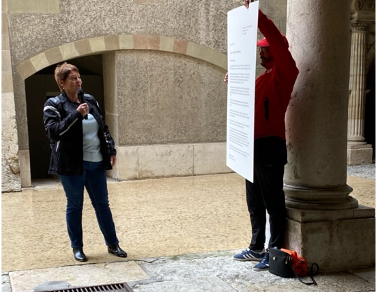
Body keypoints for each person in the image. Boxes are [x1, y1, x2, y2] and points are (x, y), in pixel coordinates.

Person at [225, 0, 299, 271]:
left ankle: (274, 249)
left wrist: (257, 15)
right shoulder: (261, 78)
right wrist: (234, 83)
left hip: (269, 145)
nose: (260, 54)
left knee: (273, 201)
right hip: (251, 145)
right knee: (254, 200)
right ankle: (257, 247)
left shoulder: (285, 71)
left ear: (275, 52)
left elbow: (277, 39)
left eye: (264, 50)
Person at [43, 62, 127, 262]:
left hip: (96, 163)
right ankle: (77, 248)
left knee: (102, 205)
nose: (78, 81)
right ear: (62, 83)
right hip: (72, 166)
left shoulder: (89, 100)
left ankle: (113, 244)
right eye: (73, 78)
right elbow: (54, 132)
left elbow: (102, 127)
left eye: (79, 77)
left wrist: (111, 149)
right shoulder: (53, 105)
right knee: (75, 206)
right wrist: (76, 115)